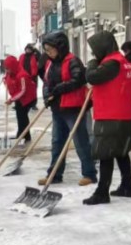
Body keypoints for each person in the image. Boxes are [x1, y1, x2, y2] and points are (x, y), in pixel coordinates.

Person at [82, 31, 131, 205]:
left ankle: (102, 192)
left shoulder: (112, 63)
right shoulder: (123, 62)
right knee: (121, 152)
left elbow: (92, 77)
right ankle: (126, 186)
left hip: (111, 116)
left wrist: (91, 64)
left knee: (105, 153)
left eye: (94, 50)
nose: (93, 54)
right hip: (124, 114)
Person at [38, 31, 98, 187]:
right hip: (58, 109)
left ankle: (89, 174)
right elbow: (46, 82)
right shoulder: (50, 63)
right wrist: (47, 95)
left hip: (73, 108)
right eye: (46, 50)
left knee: (80, 142)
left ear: (60, 47)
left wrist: (58, 89)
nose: (48, 53)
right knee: (57, 142)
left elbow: (77, 80)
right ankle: (54, 174)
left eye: (50, 49)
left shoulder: (73, 61)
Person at [2, 55, 36, 147]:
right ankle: (23, 135)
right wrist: (5, 81)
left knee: (22, 117)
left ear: (12, 66)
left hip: (28, 98)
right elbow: (10, 82)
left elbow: (23, 91)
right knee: (20, 116)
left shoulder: (22, 75)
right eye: (5, 69)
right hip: (19, 98)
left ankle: (23, 135)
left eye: (8, 68)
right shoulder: (11, 73)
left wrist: (11, 99)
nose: (7, 71)